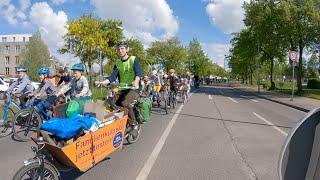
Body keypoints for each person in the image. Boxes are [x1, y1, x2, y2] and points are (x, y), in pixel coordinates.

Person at [96, 41, 143, 126]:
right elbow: (112, 77)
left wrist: (136, 81)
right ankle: (120, 121)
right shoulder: (118, 62)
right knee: (110, 103)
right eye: (118, 49)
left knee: (125, 103)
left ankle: (133, 123)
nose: (120, 51)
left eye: (122, 48)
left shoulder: (133, 59)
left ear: (127, 49)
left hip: (134, 89)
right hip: (122, 88)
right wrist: (102, 82)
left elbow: (138, 73)